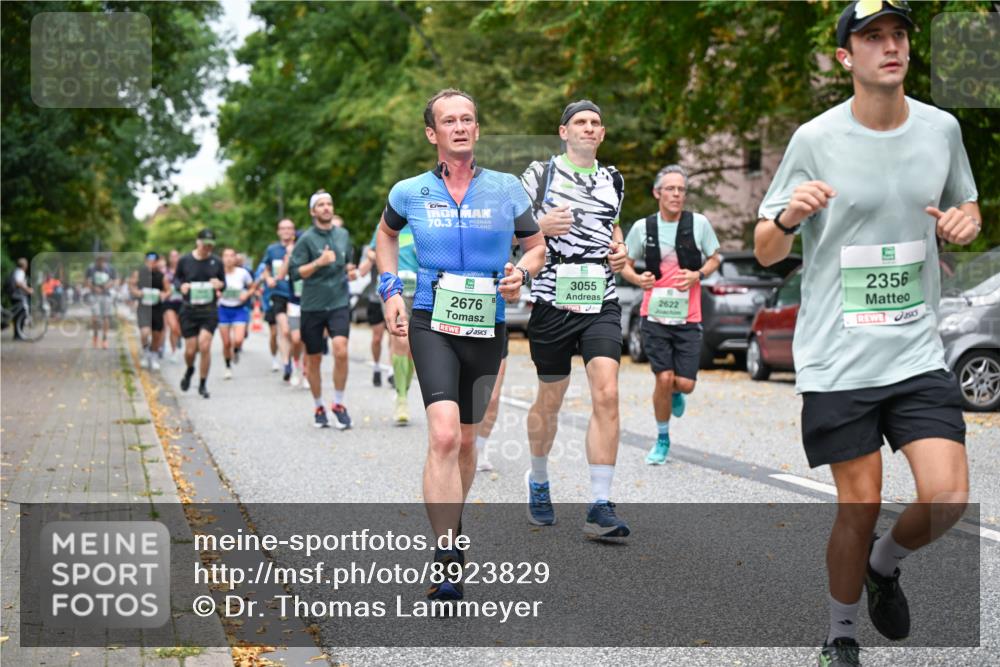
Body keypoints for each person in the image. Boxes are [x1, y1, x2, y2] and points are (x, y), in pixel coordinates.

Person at [754, 3, 980, 665]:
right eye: (873, 36)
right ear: (845, 57)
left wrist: (966, 221)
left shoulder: (942, 130)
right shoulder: (814, 140)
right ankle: (840, 633)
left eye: (899, 34)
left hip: (914, 349)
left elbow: (964, 203)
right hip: (838, 356)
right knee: (860, 501)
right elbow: (766, 248)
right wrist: (791, 215)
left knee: (948, 495)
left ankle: (886, 563)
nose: (891, 45)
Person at [376, 88, 545, 601]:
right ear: (433, 133)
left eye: (467, 119)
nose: (460, 127)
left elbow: (535, 246)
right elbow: (384, 238)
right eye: (449, 121)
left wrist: (519, 271)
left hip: (487, 323)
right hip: (431, 319)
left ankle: (454, 521)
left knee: (469, 441)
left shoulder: (506, 189)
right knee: (445, 436)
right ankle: (447, 552)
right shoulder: (409, 191)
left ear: (477, 128)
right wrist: (391, 293)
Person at [520, 100, 630, 538]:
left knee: (607, 393)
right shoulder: (538, 175)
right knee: (551, 398)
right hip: (552, 300)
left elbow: (613, 227)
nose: (589, 128)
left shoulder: (613, 179)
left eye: (596, 123)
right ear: (563, 132)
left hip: (600, 299)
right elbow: (508, 228)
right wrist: (539, 225)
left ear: (602, 134)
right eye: (580, 123)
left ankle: (599, 504)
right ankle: (539, 479)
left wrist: (620, 251)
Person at [622, 165, 721, 464]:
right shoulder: (643, 228)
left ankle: (677, 392)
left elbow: (716, 258)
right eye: (671, 189)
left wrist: (698, 274)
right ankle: (662, 438)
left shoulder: (699, 224)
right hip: (653, 316)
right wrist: (638, 280)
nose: (677, 195)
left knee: (684, 383)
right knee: (663, 377)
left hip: (688, 318)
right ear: (657, 193)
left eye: (681, 190)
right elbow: (624, 263)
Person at [289, 191, 356, 429]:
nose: (326, 208)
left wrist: (351, 270)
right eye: (321, 205)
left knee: (341, 350)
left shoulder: (343, 235)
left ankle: (338, 404)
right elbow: (296, 273)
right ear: (313, 211)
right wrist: (319, 262)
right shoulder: (306, 240)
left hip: (338, 302)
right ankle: (318, 405)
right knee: (314, 359)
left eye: (329, 203)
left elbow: (347, 261)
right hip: (313, 306)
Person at [359, 224, 420, 424]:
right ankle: (401, 399)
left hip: (421, 293)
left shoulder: (425, 220)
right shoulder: (388, 224)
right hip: (395, 294)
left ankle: (405, 389)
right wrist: (370, 258)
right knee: (400, 343)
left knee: (413, 349)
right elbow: (372, 250)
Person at [174, 229, 226, 398]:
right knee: (190, 351)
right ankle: (190, 369)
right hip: (189, 310)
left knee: (204, 345)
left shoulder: (216, 262)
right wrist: (181, 286)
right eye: (205, 244)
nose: (207, 248)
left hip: (208, 310)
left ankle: (203, 384)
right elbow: (176, 279)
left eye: (210, 245)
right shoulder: (185, 260)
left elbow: (223, 283)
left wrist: (219, 284)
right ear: (197, 242)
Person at [262, 219, 298, 379]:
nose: (286, 231)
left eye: (289, 228)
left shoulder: (301, 247)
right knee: (284, 330)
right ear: (278, 231)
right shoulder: (272, 249)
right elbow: (265, 269)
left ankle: (293, 358)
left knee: (295, 335)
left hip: (296, 294)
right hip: (278, 293)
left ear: (294, 231)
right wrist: (268, 278)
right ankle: (286, 363)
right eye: (283, 228)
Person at [218, 247, 255, 379]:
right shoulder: (218, 273)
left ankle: (236, 350)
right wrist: (216, 292)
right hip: (223, 309)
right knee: (226, 343)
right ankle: (228, 367)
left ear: (235, 258)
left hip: (239, 309)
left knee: (238, 339)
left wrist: (247, 294)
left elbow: (252, 286)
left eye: (231, 256)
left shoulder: (242, 273)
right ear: (222, 258)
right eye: (225, 256)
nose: (228, 259)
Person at [129, 252, 170, 370]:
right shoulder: (139, 273)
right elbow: (132, 286)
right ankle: (146, 352)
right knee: (145, 332)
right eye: (149, 261)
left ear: (157, 262)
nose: (151, 263)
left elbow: (168, 290)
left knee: (157, 335)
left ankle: (154, 355)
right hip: (144, 307)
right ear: (145, 261)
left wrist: (164, 294)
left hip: (157, 308)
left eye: (154, 261)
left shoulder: (161, 276)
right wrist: (137, 292)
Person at [85, 254, 118, 349]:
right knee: (95, 317)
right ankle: (95, 336)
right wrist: (94, 287)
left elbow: (115, 280)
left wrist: (107, 286)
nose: (101, 262)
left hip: (106, 295)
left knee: (106, 317)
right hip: (94, 295)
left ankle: (104, 339)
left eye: (103, 260)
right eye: (99, 260)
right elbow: (87, 280)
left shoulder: (110, 268)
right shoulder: (91, 268)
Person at [162, 249, 184, 362]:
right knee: (173, 326)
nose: (174, 258)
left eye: (176, 256)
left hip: (182, 303)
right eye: (172, 256)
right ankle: (174, 351)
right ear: (169, 258)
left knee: (178, 328)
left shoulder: (184, 271)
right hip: (169, 302)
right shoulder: (165, 272)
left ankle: (178, 339)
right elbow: (164, 286)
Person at [9, 258, 33, 340]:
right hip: (18, 296)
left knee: (18, 315)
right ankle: (18, 334)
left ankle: (17, 334)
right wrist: (28, 290)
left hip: (14, 295)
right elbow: (19, 283)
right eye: (26, 264)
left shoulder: (16, 271)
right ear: (24, 265)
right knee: (21, 315)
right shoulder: (20, 272)